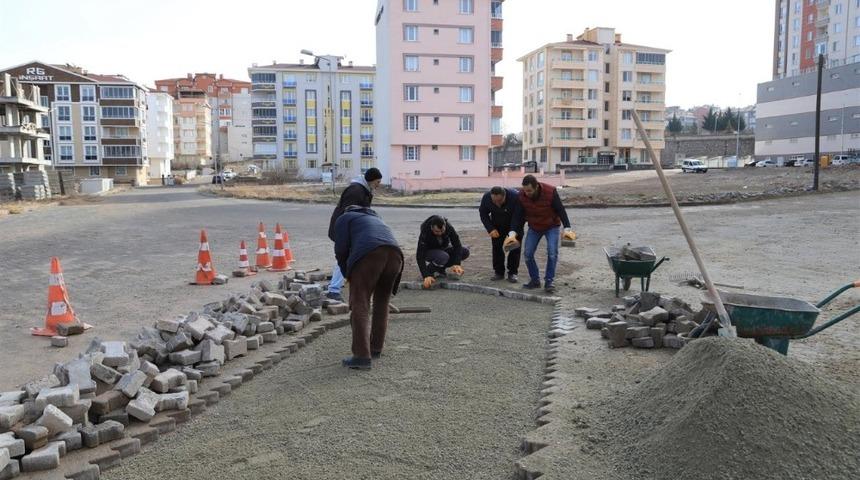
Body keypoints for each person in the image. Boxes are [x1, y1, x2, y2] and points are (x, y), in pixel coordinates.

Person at [334, 206, 404, 370]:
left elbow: (341, 251)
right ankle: (376, 348)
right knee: (382, 302)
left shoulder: (344, 218)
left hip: (370, 255)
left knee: (361, 303)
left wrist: (347, 275)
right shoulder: (375, 217)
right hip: (395, 256)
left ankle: (361, 356)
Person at [505, 175, 575, 294]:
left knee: (552, 253)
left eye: (529, 191)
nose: (527, 193)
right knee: (528, 253)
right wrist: (512, 232)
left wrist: (567, 228)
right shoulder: (521, 196)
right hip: (534, 227)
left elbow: (560, 210)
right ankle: (535, 280)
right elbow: (518, 215)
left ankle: (549, 282)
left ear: (536, 186)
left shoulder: (550, 192)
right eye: (525, 190)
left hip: (551, 226)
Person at [326, 167, 383, 302]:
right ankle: (333, 290)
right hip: (344, 229)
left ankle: (341, 283)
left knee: (352, 256)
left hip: (352, 230)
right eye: (377, 182)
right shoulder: (355, 191)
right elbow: (348, 214)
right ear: (370, 180)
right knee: (345, 256)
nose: (378, 185)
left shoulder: (364, 190)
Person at [478, 186, 522, 283]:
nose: (497, 204)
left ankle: (512, 273)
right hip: (497, 225)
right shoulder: (486, 197)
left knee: (514, 248)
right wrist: (490, 228)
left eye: (500, 201)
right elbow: (483, 214)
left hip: (514, 224)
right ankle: (498, 272)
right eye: (494, 201)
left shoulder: (515, 197)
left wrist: (512, 233)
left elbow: (518, 216)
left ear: (504, 196)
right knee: (497, 248)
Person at [416, 215, 470, 289]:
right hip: (429, 251)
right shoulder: (425, 231)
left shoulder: (449, 227)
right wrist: (425, 275)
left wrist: (457, 263)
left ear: (445, 226)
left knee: (465, 251)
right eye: (437, 231)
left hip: (443, 247)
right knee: (443, 256)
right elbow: (419, 255)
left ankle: (440, 268)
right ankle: (430, 270)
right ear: (431, 228)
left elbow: (457, 245)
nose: (440, 233)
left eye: (442, 231)